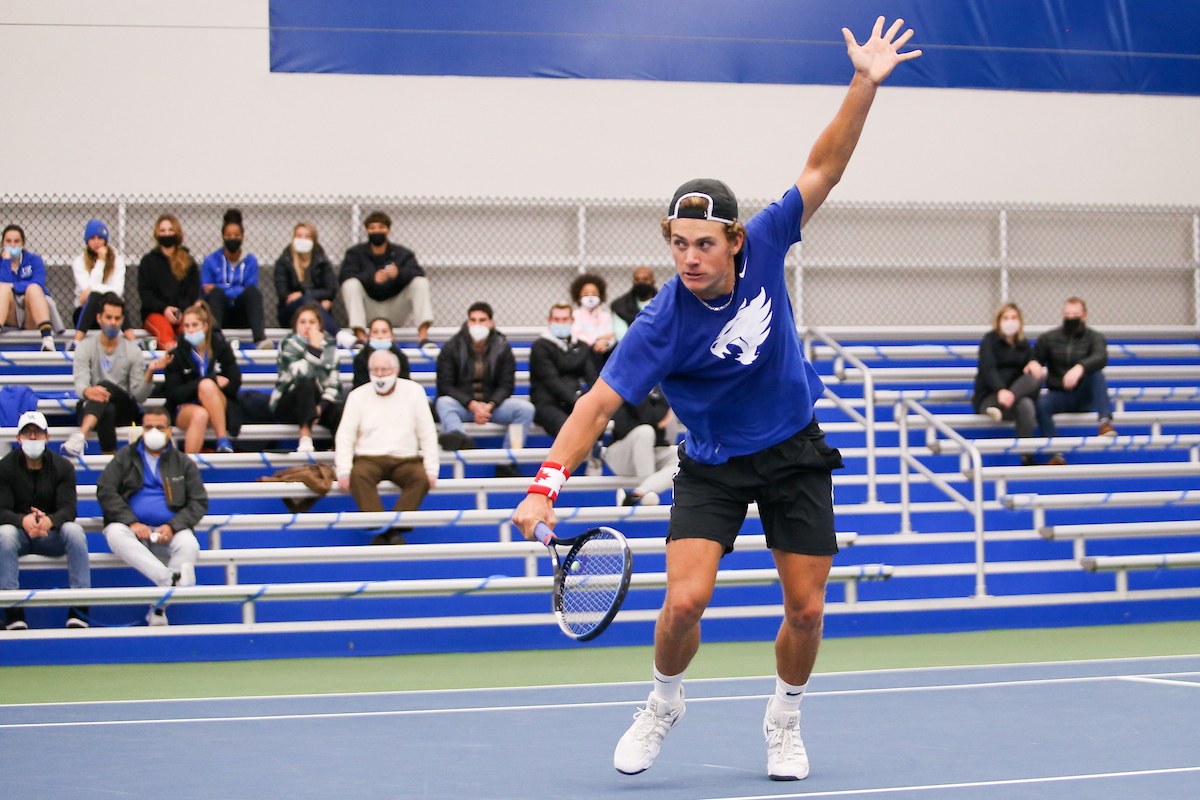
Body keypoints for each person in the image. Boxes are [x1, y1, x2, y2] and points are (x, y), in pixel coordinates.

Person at [512, 17, 920, 781]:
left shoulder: (767, 240)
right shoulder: (659, 322)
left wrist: (864, 83)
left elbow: (824, 167)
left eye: (704, 242)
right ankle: (664, 701)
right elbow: (596, 406)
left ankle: (785, 718)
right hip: (711, 465)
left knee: (805, 609)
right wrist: (545, 486)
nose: (690, 257)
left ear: (734, 239)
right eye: (678, 242)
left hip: (794, 450)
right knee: (684, 603)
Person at [98, 407, 206, 625]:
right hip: (132, 529)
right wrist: (131, 521)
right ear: (141, 429)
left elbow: (199, 502)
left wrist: (173, 526)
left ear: (169, 431)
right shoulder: (124, 457)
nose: (153, 432)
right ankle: (169, 578)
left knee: (189, 545)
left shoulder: (183, 462)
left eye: (159, 427)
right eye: (148, 427)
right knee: (115, 533)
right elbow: (105, 490)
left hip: (168, 530)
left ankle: (158, 608)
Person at [336, 349, 439, 545]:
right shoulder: (357, 396)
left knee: (420, 478)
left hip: (406, 458)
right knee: (357, 475)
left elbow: (427, 433)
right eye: (375, 370)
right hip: (368, 458)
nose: (380, 374)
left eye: (385, 369)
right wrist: (342, 470)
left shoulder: (414, 391)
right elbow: (345, 436)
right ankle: (382, 528)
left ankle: (394, 528)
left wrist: (432, 469)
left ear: (396, 370)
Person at [0, 411, 90, 630]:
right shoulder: (4, 467)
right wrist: (23, 521)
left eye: (37, 433)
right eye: (27, 433)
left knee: (75, 532)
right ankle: (14, 613)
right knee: (4, 534)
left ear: (47, 437)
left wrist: (49, 521)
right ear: (19, 438)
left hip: (52, 535)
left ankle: (80, 610)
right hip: (19, 536)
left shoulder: (63, 467)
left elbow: (69, 509)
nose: (32, 438)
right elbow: (1, 510)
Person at [63, 294, 172, 457]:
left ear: (122, 320)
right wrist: (88, 392)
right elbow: (81, 385)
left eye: (117, 318)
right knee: (107, 408)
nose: (113, 322)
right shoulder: (85, 347)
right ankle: (110, 461)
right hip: (95, 405)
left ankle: (81, 435)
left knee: (104, 386)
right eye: (108, 317)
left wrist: (149, 372)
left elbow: (139, 397)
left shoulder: (133, 350)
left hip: (125, 409)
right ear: (99, 318)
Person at [435, 302, 535, 473]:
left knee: (525, 409)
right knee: (443, 403)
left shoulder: (502, 347)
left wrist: (489, 405)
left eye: (482, 320)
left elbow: (507, 385)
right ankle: (459, 438)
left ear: (491, 322)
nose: (477, 324)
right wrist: (472, 405)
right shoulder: (452, 346)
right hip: (464, 406)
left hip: (492, 407)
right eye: (473, 320)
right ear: (467, 323)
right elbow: (446, 385)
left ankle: (508, 461)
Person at [1034, 297, 1118, 464]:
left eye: (1075, 314)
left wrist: (1080, 367)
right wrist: (1033, 362)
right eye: (1067, 314)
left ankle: (1105, 422)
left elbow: (1101, 357)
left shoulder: (1095, 337)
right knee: (1041, 404)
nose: (1071, 318)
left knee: (1097, 374)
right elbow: (1035, 356)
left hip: (1083, 395)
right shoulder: (1049, 338)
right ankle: (1056, 454)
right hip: (1059, 394)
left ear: (1084, 315)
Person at [339, 211, 433, 349]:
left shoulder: (402, 254)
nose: (377, 231)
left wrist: (399, 274)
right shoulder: (355, 253)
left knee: (420, 283)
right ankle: (360, 339)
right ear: (367, 231)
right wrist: (371, 278)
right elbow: (344, 276)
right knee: (350, 284)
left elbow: (418, 273)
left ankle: (424, 338)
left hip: (395, 308)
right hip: (368, 310)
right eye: (372, 228)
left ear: (388, 230)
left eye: (381, 227)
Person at [163, 301, 241, 454]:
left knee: (207, 387)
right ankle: (187, 469)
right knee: (201, 412)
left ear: (205, 326)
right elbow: (173, 393)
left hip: (218, 405)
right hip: (186, 407)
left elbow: (235, 382)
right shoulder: (176, 353)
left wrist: (210, 385)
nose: (190, 330)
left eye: (194, 325)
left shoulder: (221, 347)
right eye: (186, 326)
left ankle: (222, 440)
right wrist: (208, 381)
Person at [972, 303, 1043, 467]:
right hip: (990, 399)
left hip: (1011, 400)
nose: (1010, 321)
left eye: (1014, 318)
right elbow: (988, 369)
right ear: (998, 321)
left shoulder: (1024, 344)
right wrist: (1000, 390)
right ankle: (1002, 403)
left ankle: (1026, 457)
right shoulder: (989, 340)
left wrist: (1033, 363)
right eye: (1006, 318)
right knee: (1021, 400)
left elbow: (1033, 369)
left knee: (1029, 399)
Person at [270, 303, 343, 454]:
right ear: (295, 326)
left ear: (320, 325)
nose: (307, 326)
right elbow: (301, 375)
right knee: (307, 385)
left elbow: (333, 385)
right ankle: (305, 438)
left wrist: (320, 407)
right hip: (289, 403)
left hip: (317, 403)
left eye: (312, 322)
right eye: (302, 322)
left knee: (340, 410)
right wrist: (314, 350)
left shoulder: (330, 348)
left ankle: (339, 452)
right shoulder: (288, 344)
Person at [201, 208, 270, 349]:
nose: (232, 238)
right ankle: (213, 340)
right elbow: (207, 290)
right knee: (216, 294)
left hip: (241, 313)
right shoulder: (210, 260)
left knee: (253, 293)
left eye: (236, 235)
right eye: (228, 235)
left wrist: (221, 287)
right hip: (220, 313)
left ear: (243, 238)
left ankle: (260, 339)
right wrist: (234, 289)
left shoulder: (250, 260)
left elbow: (249, 289)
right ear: (222, 237)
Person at [529, 302, 599, 439]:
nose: (561, 323)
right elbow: (552, 381)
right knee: (567, 428)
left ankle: (595, 454)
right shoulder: (540, 346)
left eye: (565, 319)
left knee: (596, 419)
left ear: (572, 321)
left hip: (574, 401)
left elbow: (592, 377)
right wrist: (578, 403)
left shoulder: (581, 346)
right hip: (547, 403)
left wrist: (595, 401)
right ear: (549, 321)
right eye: (556, 319)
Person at [606, 387, 681, 507]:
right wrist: (657, 420)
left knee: (681, 458)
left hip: (652, 450)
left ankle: (639, 493)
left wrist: (654, 418)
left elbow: (652, 417)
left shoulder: (662, 389)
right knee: (645, 432)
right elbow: (647, 419)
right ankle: (647, 494)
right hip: (621, 454)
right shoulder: (627, 386)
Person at [273, 222, 346, 341]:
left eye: (307, 236)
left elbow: (331, 290)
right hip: (290, 311)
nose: (303, 240)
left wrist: (305, 295)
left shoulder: (322, 261)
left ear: (314, 240)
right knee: (305, 301)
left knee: (307, 300)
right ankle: (338, 334)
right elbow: (283, 294)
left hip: (319, 311)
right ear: (293, 238)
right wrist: (313, 301)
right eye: (299, 236)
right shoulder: (284, 262)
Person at [138, 213, 201, 349]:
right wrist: (164, 309)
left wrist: (181, 311)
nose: (167, 234)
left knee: (192, 330)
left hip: (182, 312)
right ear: (157, 234)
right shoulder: (148, 261)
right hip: (156, 313)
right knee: (165, 331)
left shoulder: (188, 261)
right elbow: (145, 294)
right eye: (163, 230)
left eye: (170, 230)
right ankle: (174, 363)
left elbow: (193, 291)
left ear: (177, 232)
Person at [70, 219, 135, 346]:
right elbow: (89, 292)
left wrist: (94, 290)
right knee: (95, 296)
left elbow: (117, 291)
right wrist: (101, 261)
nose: (96, 242)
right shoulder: (79, 262)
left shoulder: (117, 260)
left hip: (112, 312)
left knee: (113, 301)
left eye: (100, 238)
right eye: (92, 238)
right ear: (87, 241)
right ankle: (76, 343)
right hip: (86, 313)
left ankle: (134, 344)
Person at [0, 225, 58, 351]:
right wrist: (5, 261)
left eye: (16, 241)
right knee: (3, 289)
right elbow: (3, 285)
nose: (13, 245)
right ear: (2, 243)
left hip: (31, 312)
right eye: (8, 241)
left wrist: (14, 286)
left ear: (23, 243)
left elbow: (39, 283)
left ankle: (47, 340)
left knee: (33, 289)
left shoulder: (34, 260)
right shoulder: (1, 261)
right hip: (9, 314)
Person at [352, 317, 411, 389]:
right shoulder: (360, 359)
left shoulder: (401, 358)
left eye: (384, 332)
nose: (380, 336)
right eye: (375, 332)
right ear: (369, 337)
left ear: (392, 336)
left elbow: (405, 385)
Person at [570, 273, 616, 359]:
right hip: (582, 354)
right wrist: (598, 339)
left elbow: (611, 336)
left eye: (594, 294)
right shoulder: (575, 315)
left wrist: (605, 343)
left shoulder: (606, 316)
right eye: (586, 294)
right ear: (579, 297)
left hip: (603, 353)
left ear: (600, 297)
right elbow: (577, 335)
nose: (590, 297)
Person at [611, 267, 659, 342]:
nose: (641, 282)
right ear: (633, 282)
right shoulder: (620, 306)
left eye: (645, 279)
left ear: (653, 282)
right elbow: (622, 336)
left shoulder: (666, 304)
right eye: (637, 280)